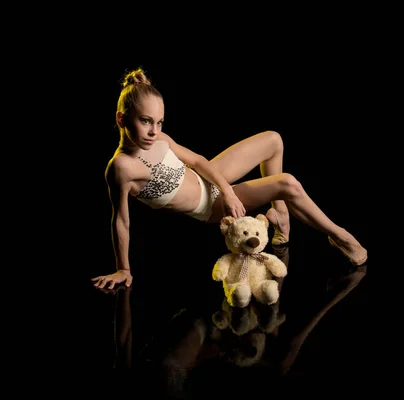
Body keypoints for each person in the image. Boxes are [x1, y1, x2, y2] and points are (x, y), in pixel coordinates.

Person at [91, 68, 367, 290]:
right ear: (121, 119)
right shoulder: (121, 169)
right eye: (145, 121)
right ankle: (340, 236)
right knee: (288, 183)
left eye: (159, 122)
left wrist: (229, 190)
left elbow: (198, 161)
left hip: (210, 178)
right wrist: (123, 268)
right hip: (211, 206)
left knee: (273, 140)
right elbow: (121, 220)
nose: (154, 131)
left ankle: (281, 216)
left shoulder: (160, 139)